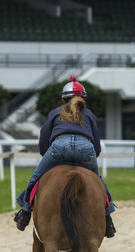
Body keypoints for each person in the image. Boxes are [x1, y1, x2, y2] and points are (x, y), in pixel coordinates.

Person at [13, 76, 117, 238]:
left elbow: (44, 140)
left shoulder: (55, 112)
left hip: (59, 148)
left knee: (36, 177)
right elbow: (96, 143)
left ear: (64, 99)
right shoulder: (89, 115)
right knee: (97, 180)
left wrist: (47, 156)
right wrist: (89, 157)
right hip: (85, 149)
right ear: (83, 99)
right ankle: (107, 217)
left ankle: (25, 212)